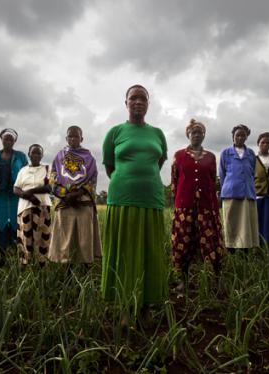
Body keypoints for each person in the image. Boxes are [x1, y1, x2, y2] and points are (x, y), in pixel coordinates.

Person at [101, 85, 168, 320]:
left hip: (151, 198)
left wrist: (143, 179)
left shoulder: (158, 134)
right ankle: (122, 302)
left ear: (148, 104)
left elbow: (158, 163)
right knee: (123, 250)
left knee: (150, 251)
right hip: (121, 198)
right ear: (126, 103)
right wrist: (128, 181)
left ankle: (146, 304)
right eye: (133, 98)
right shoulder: (115, 132)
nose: (138, 102)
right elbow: (110, 167)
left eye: (143, 98)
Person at [171, 119, 224, 291]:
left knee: (211, 241)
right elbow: (174, 181)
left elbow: (212, 179)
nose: (196, 135)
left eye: (200, 132)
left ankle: (216, 278)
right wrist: (179, 200)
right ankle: (183, 280)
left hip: (206, 206)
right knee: (183, 241)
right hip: (185, 206)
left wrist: (213, 203)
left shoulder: (210, 157)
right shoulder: (179, 155)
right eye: (193, 132)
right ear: (188, 134)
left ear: (204, 135)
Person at [48, 126, 101, 264]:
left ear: (81, 138)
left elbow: (92, 179)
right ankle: (67, 271)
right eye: (70, 136)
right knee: (65, 240)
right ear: (66, 138)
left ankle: (85, 270)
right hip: (64, 202)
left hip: (83, 202)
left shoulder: (89, 158)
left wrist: (78, 193)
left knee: (84, 239)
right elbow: (52, 177)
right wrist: (65, 195)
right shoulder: (59, 156)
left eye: (76, 136)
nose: (72, 139)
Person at [219, 124, 259, 252]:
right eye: (237, 135)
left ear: (246, 137)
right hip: (230, 193)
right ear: (233, 137)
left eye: (243, 135)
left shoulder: (251, 154)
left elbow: (253, 172)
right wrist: (227, 188)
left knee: (245, 225)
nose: (240, 137)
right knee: (231, 224)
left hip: (247, 193)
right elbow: (222, 174)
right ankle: (231, 251)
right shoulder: (226, 153)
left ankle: (245, 251)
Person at [0, 129, 28, 252]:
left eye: (11, 139)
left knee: (14, 221)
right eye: (6, 138)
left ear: (14, 141)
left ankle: (15, 250)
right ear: (2, 139)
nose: (8, 141)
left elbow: (25, 174)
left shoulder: (21, 156)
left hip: (15, 196)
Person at [14, 144, 52, 265]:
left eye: (38, 153)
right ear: (29, 154)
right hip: (24, 207)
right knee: (25, 238)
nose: (35, 155)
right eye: (33, 153)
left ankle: (42, 266)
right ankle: (25, 265)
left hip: (42, 207)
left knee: (42, 238)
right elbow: (16, 189)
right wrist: (29, 197)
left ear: (42, 155)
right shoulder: (23, 170)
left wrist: (31, 191)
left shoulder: (47, 169)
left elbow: (49, 187)